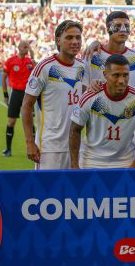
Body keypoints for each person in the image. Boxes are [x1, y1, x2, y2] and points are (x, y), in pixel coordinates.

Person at [69, 54, 135, 168]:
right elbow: (75, 129)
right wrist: (74, 165)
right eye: (116, 75)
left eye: (125, 75)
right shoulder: (90, 97)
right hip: (92, 162)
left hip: (126, 162)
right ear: (105, 75)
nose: (121, 80)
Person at [21, 20, 85, 170]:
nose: (75, 41)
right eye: (69, 38)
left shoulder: (84, 67)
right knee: (48, 193)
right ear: (58, 40)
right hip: (49, 147)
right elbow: (26, 105)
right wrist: (30, 142)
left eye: (78, 37)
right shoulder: (44, 67)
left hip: (78, 146)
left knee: (76, 192)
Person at [83, 11, 135, 89]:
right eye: (117, 25)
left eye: (127, 25)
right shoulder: (92, 56)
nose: (123, 29)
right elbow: (83, 89)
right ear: (108, 29)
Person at [1, 40, 35, 157]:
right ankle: (8, 149)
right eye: (25, 46)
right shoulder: (11, 61)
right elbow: (4, 78)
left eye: (28, 47)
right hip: (15, 93)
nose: (27, 48)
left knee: (30, 121)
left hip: (28, 94)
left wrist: (33, 56)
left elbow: (37, 73)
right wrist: (5, 95)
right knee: (11, 121)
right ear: (19, 47)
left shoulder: (30, 61)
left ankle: (34, 147)